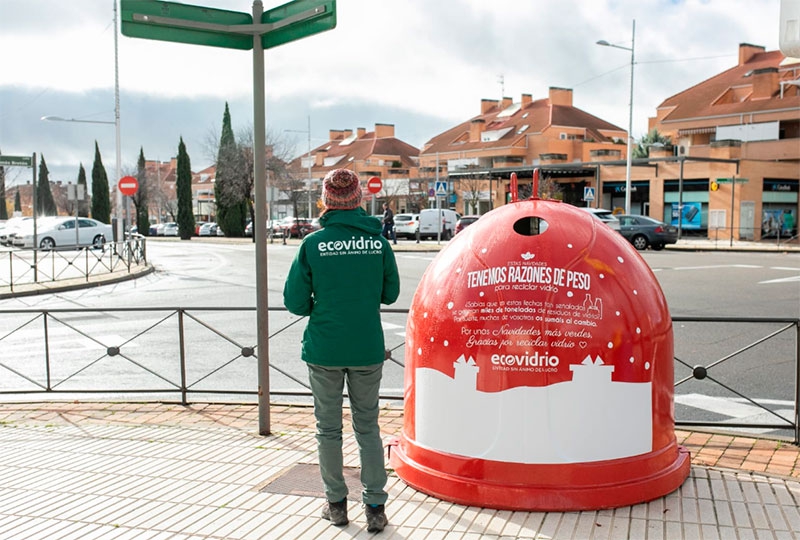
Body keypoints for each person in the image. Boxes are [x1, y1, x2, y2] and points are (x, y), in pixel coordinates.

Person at [283, 168, 400, 533]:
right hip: (366, 347)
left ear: (326, 201)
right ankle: (375, 507)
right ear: (359, 200)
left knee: (328, 429)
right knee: (368, 428)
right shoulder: (378, 243)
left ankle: (336, 505)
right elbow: (391, 294)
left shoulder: (313, 244)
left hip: (325, 349)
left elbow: (295, 302)